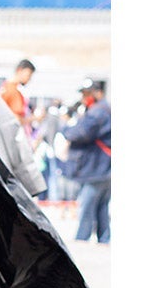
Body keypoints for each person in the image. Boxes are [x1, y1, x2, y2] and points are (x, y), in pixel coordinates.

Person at [61, 77, 111, 243]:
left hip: (97, 169)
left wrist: (67, 126)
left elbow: (79, 133)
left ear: (97, 93)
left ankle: (82, 239)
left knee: (88, 204)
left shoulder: (97, 112)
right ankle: (104, 238)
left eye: (87, 94)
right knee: (102, 205)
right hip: (104, 168)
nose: (85, 98)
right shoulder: (105, 109)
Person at [0, 59, 36, 137]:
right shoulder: (12, 90)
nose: (29, 79)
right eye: (28, 75)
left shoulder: (7, 87)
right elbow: (15, 118)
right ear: (19, 71)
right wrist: (33, 119)